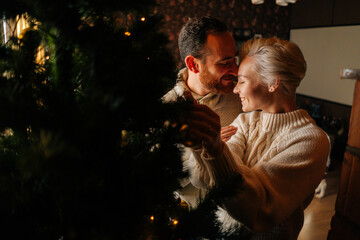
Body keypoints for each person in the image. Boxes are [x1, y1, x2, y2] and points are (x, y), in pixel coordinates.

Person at [183, 37, 330, 239]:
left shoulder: (311, 141)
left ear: (272, 83)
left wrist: (219, 152)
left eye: (242, 81)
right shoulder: (244, 121)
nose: (235, 89)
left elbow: (257, 210)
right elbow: (202, 180)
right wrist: (202, 147)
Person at [162, 16, 242, 208]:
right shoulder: (166, 109)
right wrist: (202, 149)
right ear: (193, 65)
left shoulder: (242, 95)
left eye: (234, 59)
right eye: (225, 62)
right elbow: (162, 180)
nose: (236, 70)